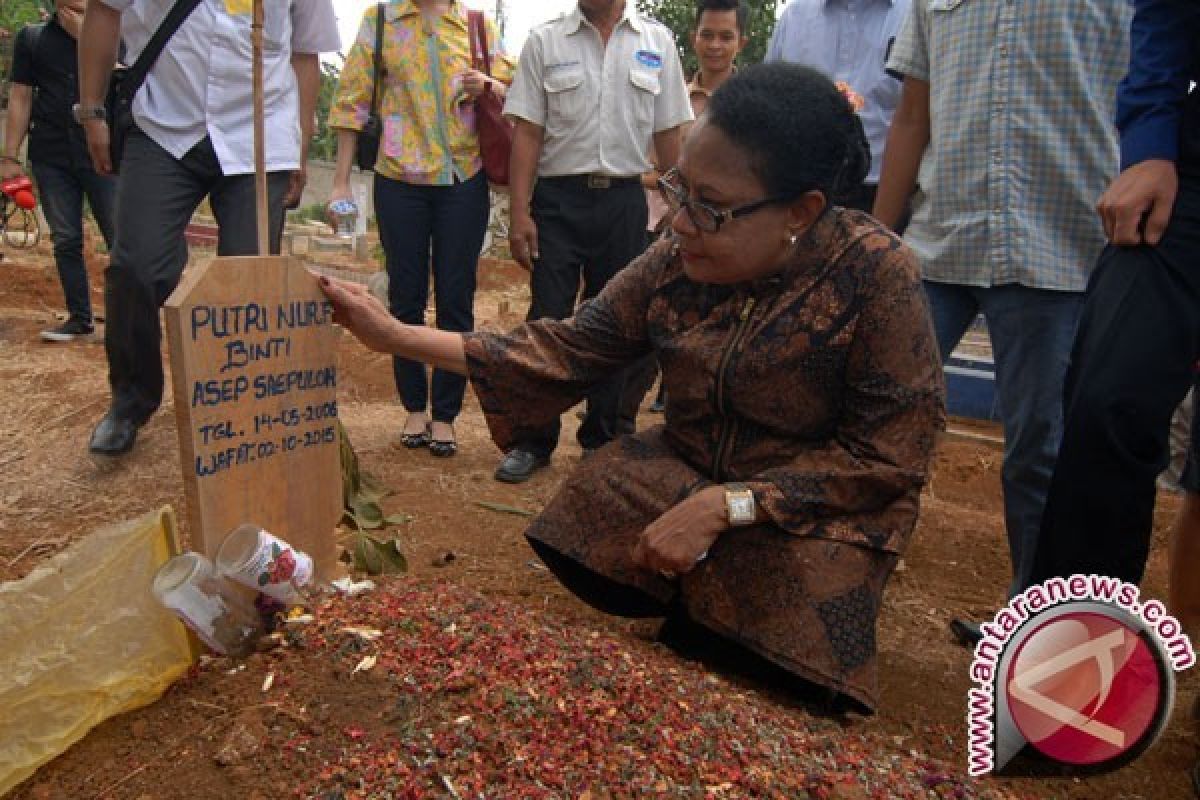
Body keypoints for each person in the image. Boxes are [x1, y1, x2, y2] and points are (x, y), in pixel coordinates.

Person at [321, 64, 946, 711]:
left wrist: (727, 506)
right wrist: (394, 334)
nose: (680, 222)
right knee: (595, 491)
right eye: (680, 191)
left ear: (801, 210)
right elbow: (569, 346)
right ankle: (708, 597)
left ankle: (719, 601)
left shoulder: (878, 275)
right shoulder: (679, 256)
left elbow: (888, 460)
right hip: (694, 468)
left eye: (710, 208)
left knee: (800, 596)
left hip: (810, 510)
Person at [873, 0, 1130, 644]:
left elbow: (1143, 100)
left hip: (1062, 246)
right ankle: (840, 590)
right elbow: (912, 115)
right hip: (941, 239)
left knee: (1038, 450)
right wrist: (880, 235)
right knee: (878, 420)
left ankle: (1034, 632)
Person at [76, 0, 339, 456]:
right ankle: (130, 400)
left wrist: (298, 143)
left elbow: (304, 55)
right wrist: (93, 111)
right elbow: (102, 11)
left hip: (260, 130)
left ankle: (235, 413)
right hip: (164, 122)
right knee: (136, 266)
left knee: (247, 286)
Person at [1029, 1, 1200, 589]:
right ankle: (1073, 651)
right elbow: (1165, 14)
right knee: (1107, 398)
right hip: (1185, 165)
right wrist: (1151, 143)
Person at [496, 0, 692, 483]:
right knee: (547, 316)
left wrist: (684, 207)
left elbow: (671, 135)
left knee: (619, 320)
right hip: (557, 203)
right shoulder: (546, 40)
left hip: (625, 201)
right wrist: (519, 212)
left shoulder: (656, 42)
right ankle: (532, 440)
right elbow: (528, 134)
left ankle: (601, 440)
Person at [327, 1, 513, 458]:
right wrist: (339, 181)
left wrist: (488, 83)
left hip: (462, 181)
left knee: (456, 298)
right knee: (405, 297)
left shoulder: (476, 26)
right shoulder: (382, 20)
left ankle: (446, 414)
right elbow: (350, 102)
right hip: (398, 181)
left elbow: (516, 90)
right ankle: (414, 406)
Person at [622, 0, 748, 429]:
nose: (715, 45)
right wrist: (669, 189)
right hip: (655, 221)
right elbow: (644, 162)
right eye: (707, 34)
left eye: (725, 36)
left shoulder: (749, 106)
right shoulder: (667, 92)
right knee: (645, 315)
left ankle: (683, 410)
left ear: (740, 42)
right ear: (693, 38)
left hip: (718, 233)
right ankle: (618, 416)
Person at [2, 0, 116, 343]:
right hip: (51, 154)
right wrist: (9, 156)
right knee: (65, 238)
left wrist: (88, 38)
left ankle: (131, 321)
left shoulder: (118, 32)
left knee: (120, 238)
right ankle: (80, 318)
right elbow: (21, 96)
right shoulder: (33, 39)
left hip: (105, 153)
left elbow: (124, 76)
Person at [765, 0, 910, 214]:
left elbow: (919, 116)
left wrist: (884, 225)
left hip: (885, 196)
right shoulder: (794, 18)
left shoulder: (911, 15)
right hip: (801, 196)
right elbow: (769, 108)